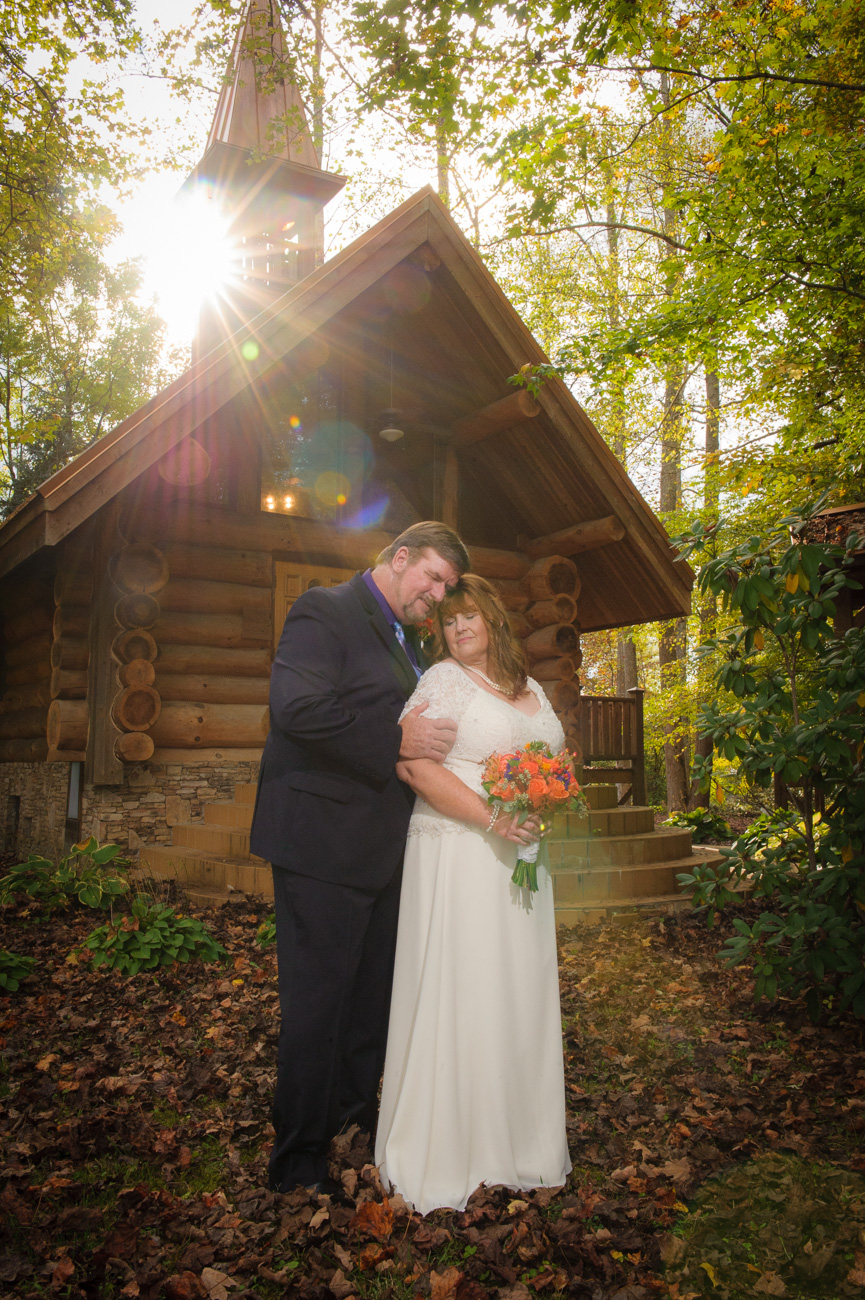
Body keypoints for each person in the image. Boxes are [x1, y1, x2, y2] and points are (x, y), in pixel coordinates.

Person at [249, 521, 471, 1194]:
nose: (437, 595)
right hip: (319, 844)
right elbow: (298, 709)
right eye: (430, 577)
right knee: (317, 1008)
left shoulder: (408, 640)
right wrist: (395, 737)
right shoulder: (325, 610)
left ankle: (352, 1118)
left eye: (447, 587)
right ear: (398, 558)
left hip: (380, 850)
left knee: (369, 1002)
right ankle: (298, 1160)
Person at [375, 573, 572, 1215]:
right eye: (448, 622)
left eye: (468, 618)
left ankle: (520, 1141)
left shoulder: (530, 687)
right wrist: (493, 819)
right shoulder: (442, 683)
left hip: (523, 859)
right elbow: (413, 764)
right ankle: (451, 1150)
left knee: (517, 991)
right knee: (468, 989)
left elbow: (552, 758)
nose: (458, 630)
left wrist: (547, 797)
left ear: (493, 619)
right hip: (460, 855)